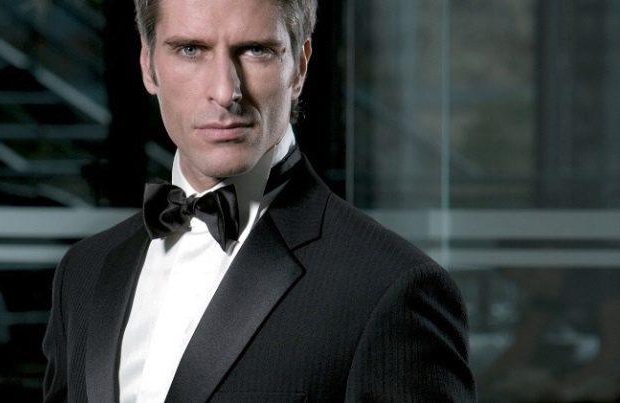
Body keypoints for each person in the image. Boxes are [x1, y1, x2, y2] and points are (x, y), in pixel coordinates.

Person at [42, 0, 476, 401]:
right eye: (191, 50)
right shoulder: (83, 272)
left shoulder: (391, 288)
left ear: (299, 66)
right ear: (148, 65)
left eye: (255, 51)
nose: (224, 90)